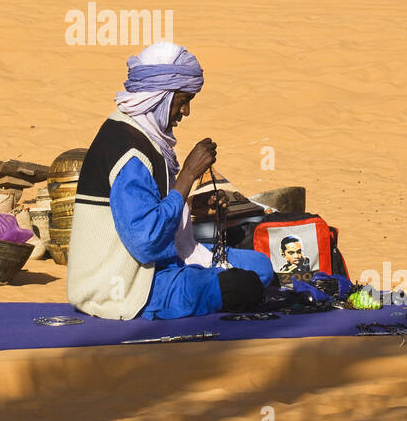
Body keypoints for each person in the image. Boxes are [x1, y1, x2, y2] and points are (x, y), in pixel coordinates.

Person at [67, 42, 275, 319]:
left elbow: (150, 207)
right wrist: (188, 175)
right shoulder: (129, 152)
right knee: (242, 285)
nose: (186, 111)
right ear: (161, 96)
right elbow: (145, 242)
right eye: (183, 99)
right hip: (126, 284)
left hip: (161, 260)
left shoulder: (143, 135)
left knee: (259, 266)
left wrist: (192, 208)